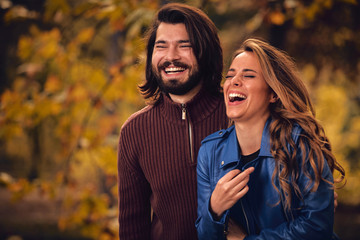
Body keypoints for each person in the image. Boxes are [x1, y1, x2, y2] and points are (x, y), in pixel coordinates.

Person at [195, 38, 345, 239]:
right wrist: (214, 208)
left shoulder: (300, 142)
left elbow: (317, 227)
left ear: (273, 94)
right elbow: (205, 235)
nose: (234, 81)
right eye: (230, 75)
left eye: (248, 75)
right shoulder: (209, 151)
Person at [117, 3, 228, 239]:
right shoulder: (134, 131)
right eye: (161, 46)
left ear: (204, 51)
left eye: (184, 46)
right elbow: (132, 228)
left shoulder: (237, 115)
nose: (171, 57)